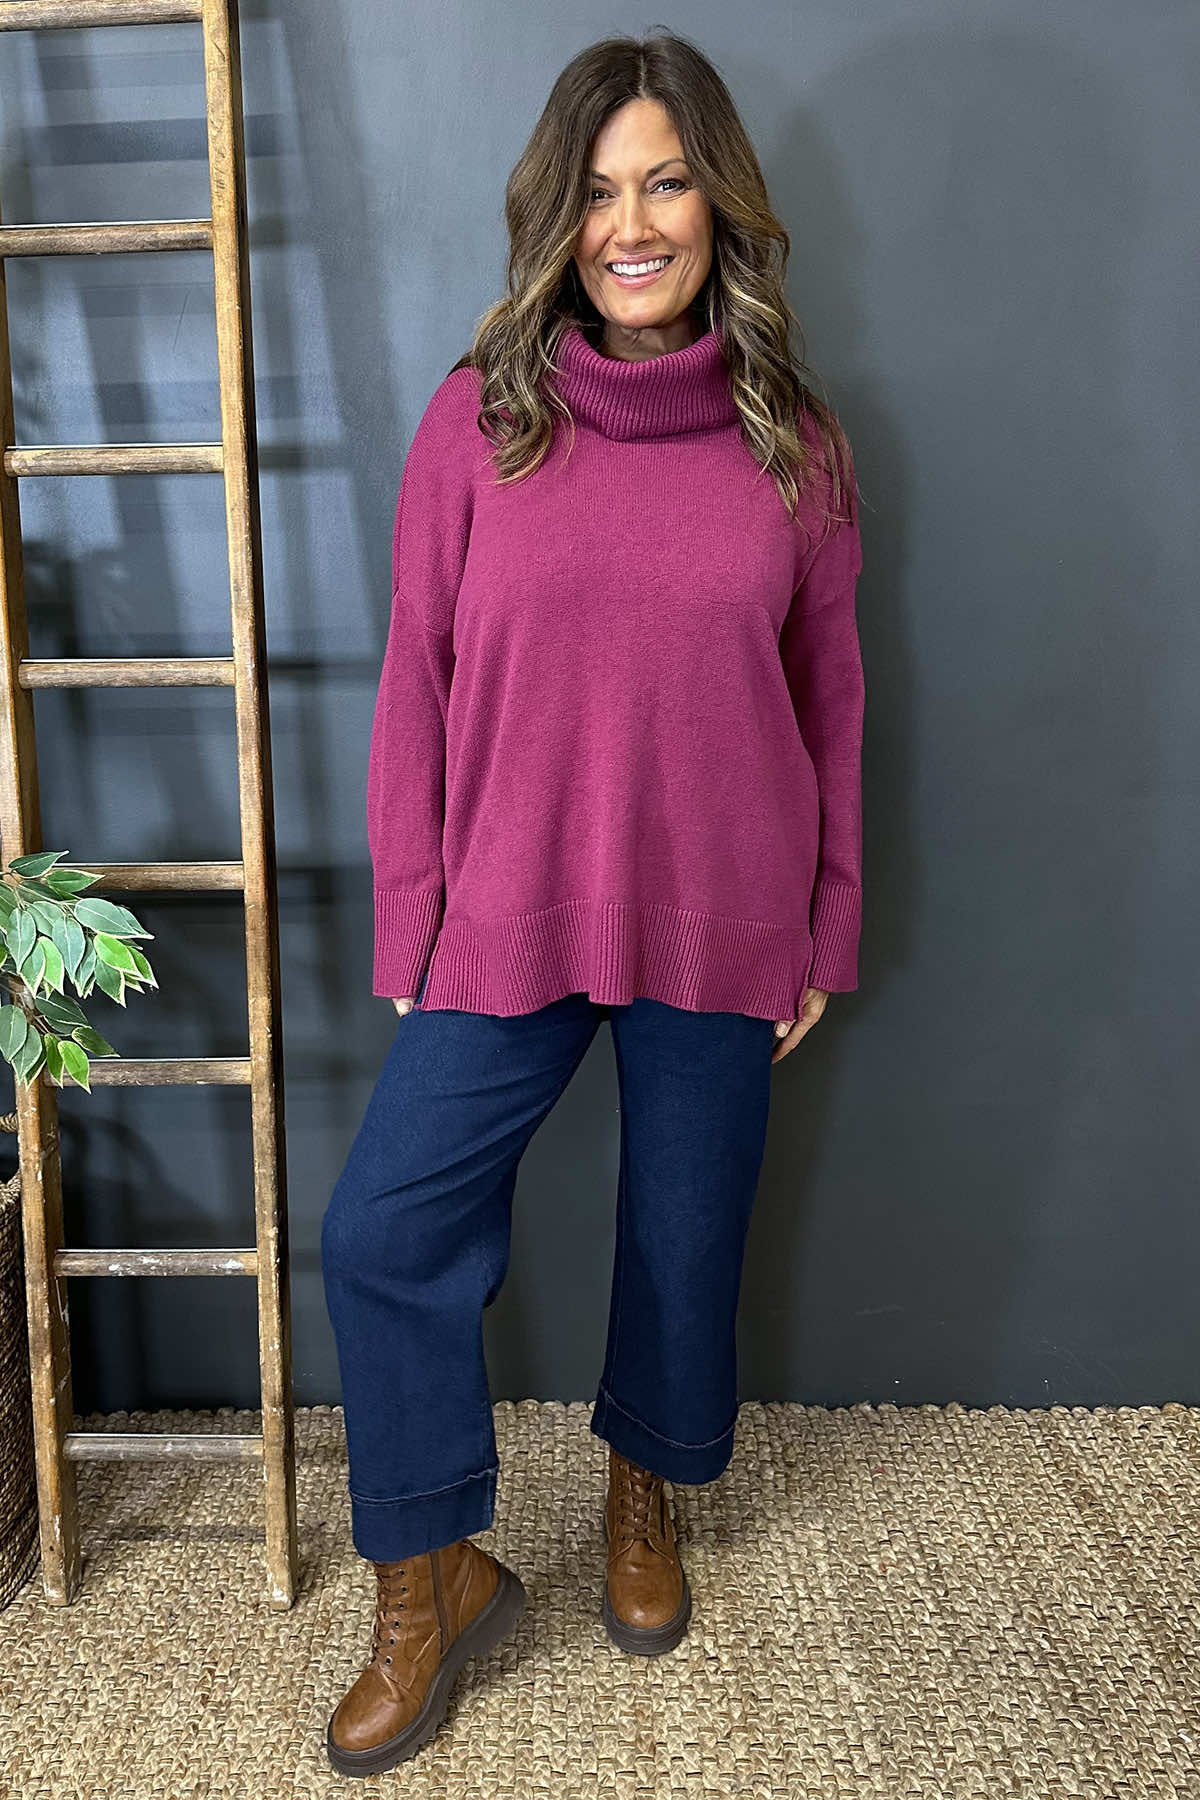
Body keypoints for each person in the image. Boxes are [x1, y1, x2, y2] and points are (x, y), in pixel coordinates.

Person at [320, 28, 865, 1778]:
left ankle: (645, 1494)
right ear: (558, 218)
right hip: (511, 901)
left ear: (718, 204)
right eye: (602, 191)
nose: (634, 226)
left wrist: (826, 924)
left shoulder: (796, 443)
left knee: (685, 1235)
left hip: (726, 903)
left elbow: (834, 697)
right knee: (381, 1230)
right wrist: (413, 920)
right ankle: (429, 1583)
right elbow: (416, 680)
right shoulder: (478, 421)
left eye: (668, 182)